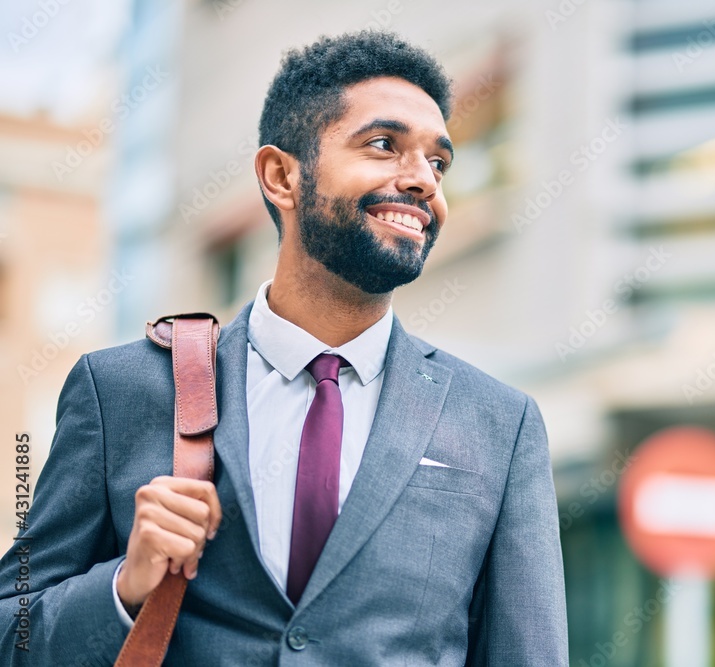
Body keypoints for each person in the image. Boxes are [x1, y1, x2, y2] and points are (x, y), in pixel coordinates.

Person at [0, 31, 568, 665]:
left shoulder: (498, 424)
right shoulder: (124, 390)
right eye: (384, 146)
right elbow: (12, 629)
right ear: (281, 175)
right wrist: (123, 588)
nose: (422, 183)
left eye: (438, 163)